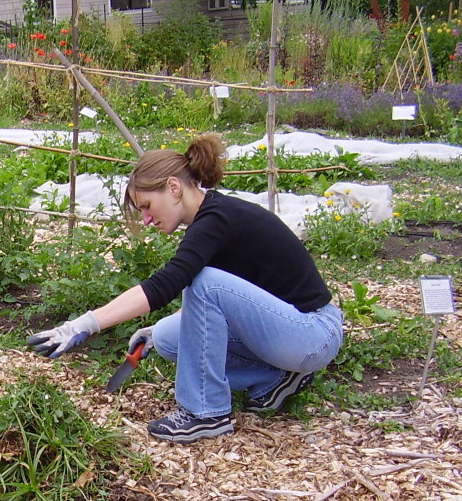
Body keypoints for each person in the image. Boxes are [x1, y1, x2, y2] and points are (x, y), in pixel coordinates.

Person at [28, 133, 343, 443]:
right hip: (288, 334)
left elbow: (167, 285)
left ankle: (206, 413)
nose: (147, 219)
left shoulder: (217, 219)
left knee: (203, 282)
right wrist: (157, 328)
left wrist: (82, 325)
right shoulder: (211, 222)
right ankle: (276, 377)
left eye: (148, 205)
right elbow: (215, 304)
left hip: (312, 332)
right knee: (167, 337)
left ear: (173, 187)